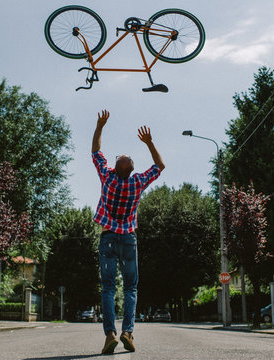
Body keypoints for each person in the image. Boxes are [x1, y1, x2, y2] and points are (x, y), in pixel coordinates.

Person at [91, 109, 165, 354]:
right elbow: (160, 165)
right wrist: (149, 142)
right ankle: (128, 332)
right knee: (131, 288)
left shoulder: (107, 177)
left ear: (114, 166)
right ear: (132, 170)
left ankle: (110, 334)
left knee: (108, 288)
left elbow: (95, 151)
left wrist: (100, 126)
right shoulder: (137, 182)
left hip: (108, 238)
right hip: (128, 238)